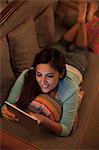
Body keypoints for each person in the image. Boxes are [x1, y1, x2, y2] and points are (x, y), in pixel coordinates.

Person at [1, 1, 90, 137]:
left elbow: (66, 129)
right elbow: (8, 105)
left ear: (60, 74)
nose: (42, 81)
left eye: (49, 76)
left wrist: (44, 120)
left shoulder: (70, 89)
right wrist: (8, 113)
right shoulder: (27, 75)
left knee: (81, 49)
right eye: (39, 74)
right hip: (54, 58)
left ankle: (82, 21)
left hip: (74, 67)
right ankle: (79, 23)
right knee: (61, 43)